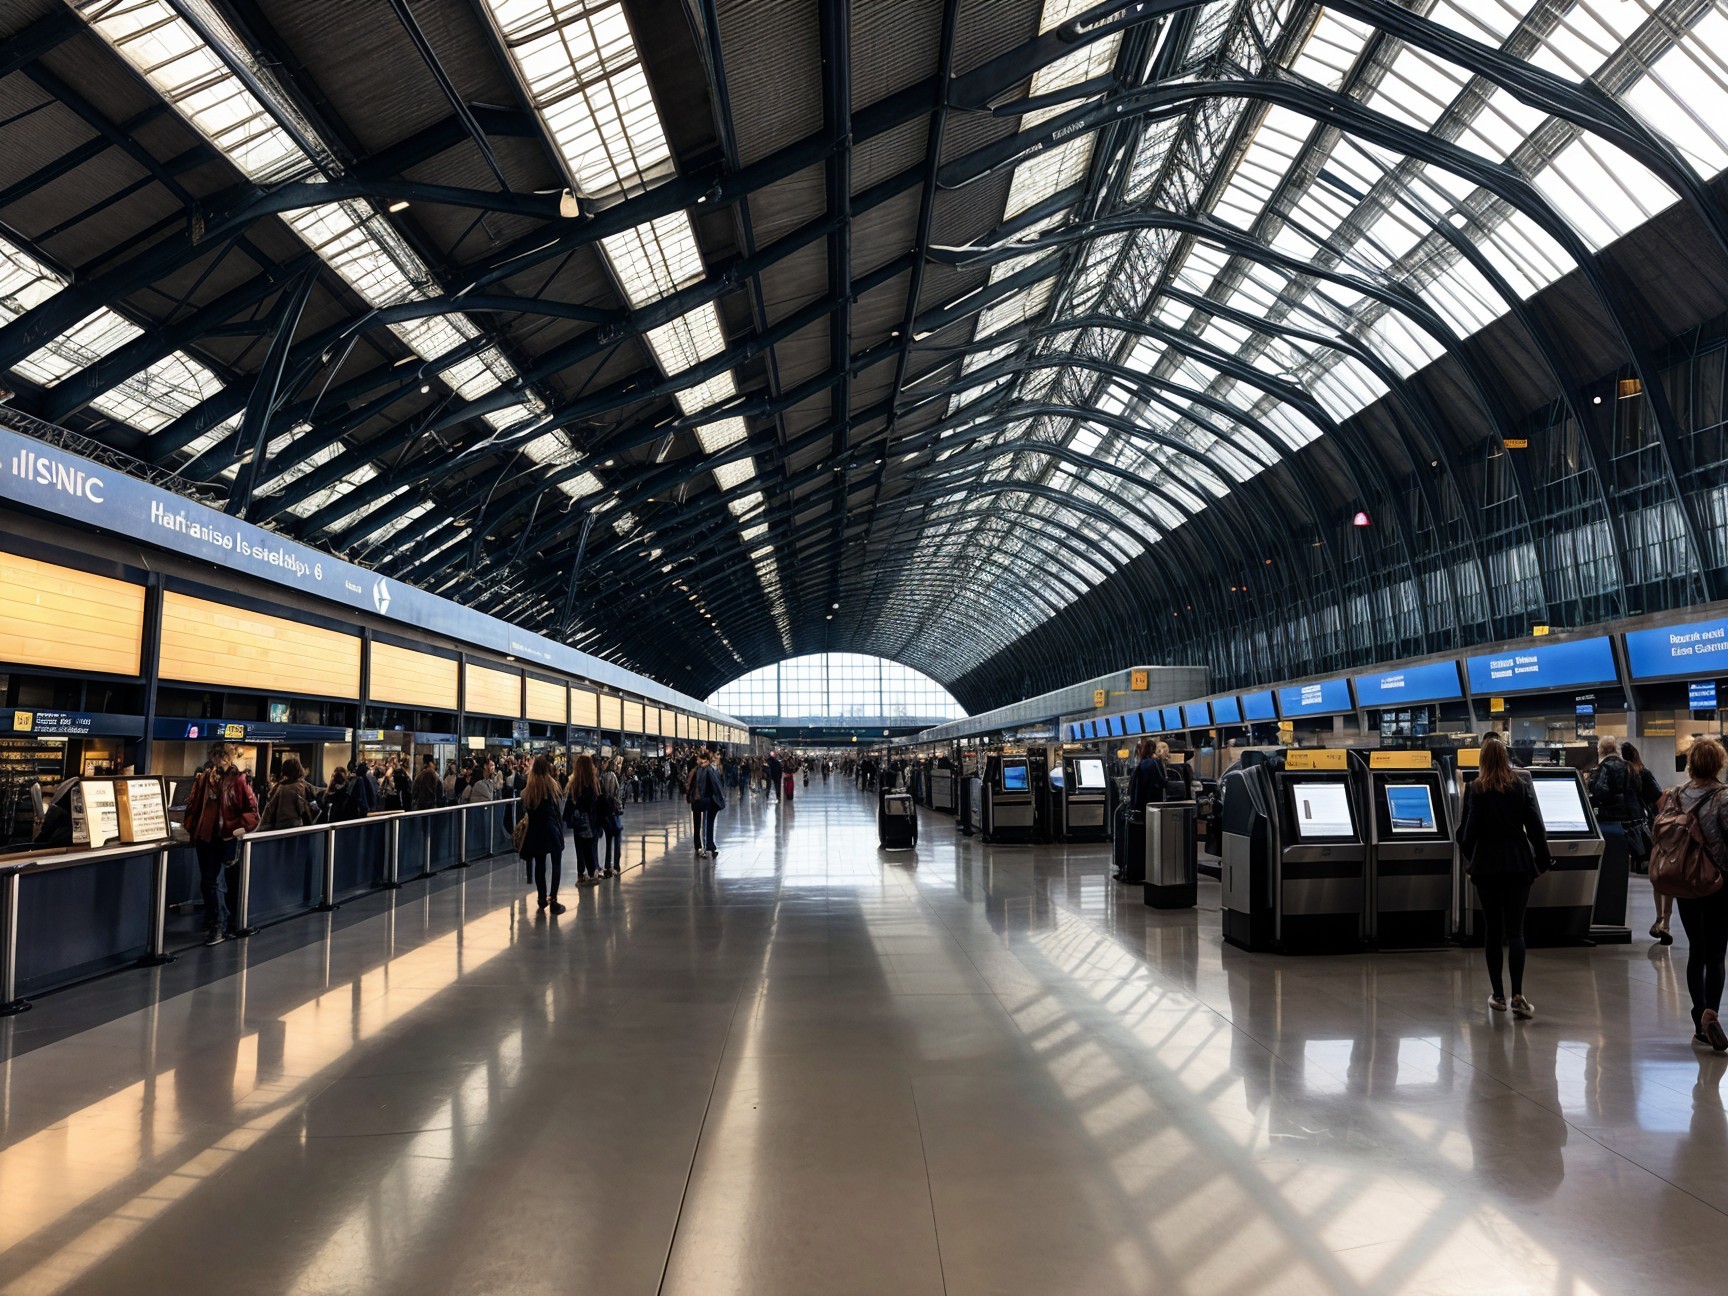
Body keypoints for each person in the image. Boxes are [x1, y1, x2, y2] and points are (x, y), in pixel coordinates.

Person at [1457, 735, 1549, 1018]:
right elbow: (1535, 827)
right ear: (1507, 759)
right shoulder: (1521, 787)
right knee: (1516, 931)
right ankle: (1518, 995)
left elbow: (1467, 834)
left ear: (1482, 761)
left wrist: (1470, 861)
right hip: (1519, 864)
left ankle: (1497, 995)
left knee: (1493, 931)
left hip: (1487, 866)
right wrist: (1542, 861)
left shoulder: (1475, 789)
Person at [1667, 738, 1728, 1051]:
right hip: (1718, 882)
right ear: (1718, 764)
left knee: (1696, 951)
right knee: (1717, 955)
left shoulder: (1676, 794)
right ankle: (1711, 1014)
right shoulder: (1723, 797)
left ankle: (1697, 1019)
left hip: (1686, 881)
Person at [181, 743, 260, 946]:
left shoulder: (239, 780)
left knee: (214, 881)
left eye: (223, 756)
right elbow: (194, 803)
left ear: (230, 758)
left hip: (222, 838)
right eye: (216, 756)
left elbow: (252, 812)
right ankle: (215, 920)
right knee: (207, 882)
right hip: (203, 836)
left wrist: (236, 830)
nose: (219, 760)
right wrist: (191, 826)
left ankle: (219, 925)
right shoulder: (204, 779)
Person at [516, 755, 565, 912]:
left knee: (540, 864)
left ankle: (541, 898)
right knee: (556, 862)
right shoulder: (552, 785)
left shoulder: (529, 789)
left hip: (535, 832)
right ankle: (554, 900)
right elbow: (557, 811)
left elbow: (524, 805)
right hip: (552, 830)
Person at [564, 754, 604, 885]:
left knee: (579, 848)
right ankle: (592, 873)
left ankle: (580, 874)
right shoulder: (594, 782)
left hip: (578, 820)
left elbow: (570, 802)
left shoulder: (574, 783)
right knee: (589, 847)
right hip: (591, 819)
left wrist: (567, 818)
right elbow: (598, 802)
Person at [259, 757, 318, 829]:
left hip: (280, 826)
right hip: (297, 826)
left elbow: (269, 809)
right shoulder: (302, 786)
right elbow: (313, 802)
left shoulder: (279, 787)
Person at [692, 749, 726, 857]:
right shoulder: (707, 769)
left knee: (704, 824)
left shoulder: (703, 770)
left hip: (703, 800)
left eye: (699, 758)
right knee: (707, 824)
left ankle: (705, 847)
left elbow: (703, 785)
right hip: (707, 800)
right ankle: (707, 846)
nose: (697, 760)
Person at [598, 757, 623, 876]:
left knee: (609, 838)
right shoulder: (612, 776)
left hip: (605, 812)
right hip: (613, 811)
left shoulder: (601, 777)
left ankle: (608, 864)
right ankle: (616, 865)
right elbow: (617, 793)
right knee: (617, 837)